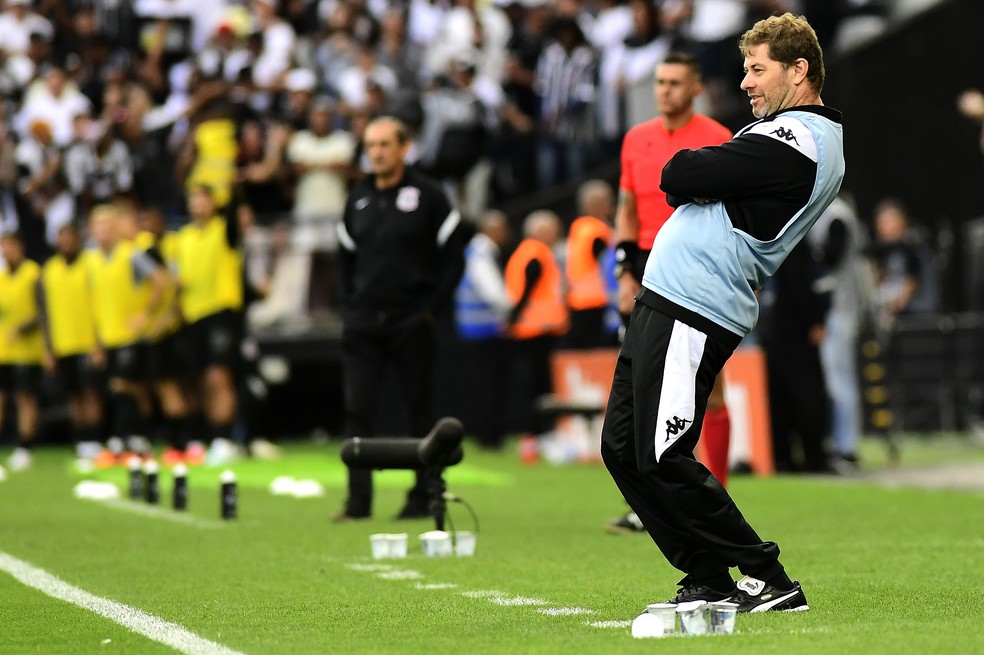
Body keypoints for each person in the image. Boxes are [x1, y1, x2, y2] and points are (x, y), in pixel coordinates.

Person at [600, 13, 844, 613]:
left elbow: (681, 172)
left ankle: (767, 576)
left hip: (697, 301)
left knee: (662, 450)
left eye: (757, 70)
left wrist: (699, 175)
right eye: (745, 70)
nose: (745, 84)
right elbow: (696, 179)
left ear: (799, 70)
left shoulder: (804, 137)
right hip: (670, 293)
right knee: (623, 446)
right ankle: (707, 574)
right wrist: (704, 177)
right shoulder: (784, 132)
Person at [607, 51, 732, 534]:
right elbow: (627, 208)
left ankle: (714, 494)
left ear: (696, 88)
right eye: (660, 81)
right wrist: (622, 273)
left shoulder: (718, 138)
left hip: (695, 269)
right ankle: (651, 500)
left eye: (675, 82)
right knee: (641, 387)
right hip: (645, 270)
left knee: (709, 386)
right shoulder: (636, 140)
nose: (665, 90)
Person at [333, 116, 465, 522]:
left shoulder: (429, 196)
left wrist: (429, 309)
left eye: (384, 144)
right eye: (370, 145)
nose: (376, 152)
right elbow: (344, 260)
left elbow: (454, 258)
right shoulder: (356, 197)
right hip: (364, 321)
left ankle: (421, 496)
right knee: (358, 409)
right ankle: (358, 502)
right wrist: (349, 307)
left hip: (411, 319)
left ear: (404, 148)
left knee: (418, 411)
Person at [173, 186, 245, 466]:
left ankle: (225, 439)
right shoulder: (184, 238)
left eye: (204, 199)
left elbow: (235, 214)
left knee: (219, 376)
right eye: (194, 199)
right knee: (202, 380)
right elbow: (180, 278)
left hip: (220, 311)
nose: (199, 204)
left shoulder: (223, 230)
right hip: (194, 315)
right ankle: (212, 435)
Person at [808, 195, 871, 471]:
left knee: (840, 381)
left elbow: (830, 260)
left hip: (840, 308)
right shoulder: (830, 213)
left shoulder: (836, 215)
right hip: (835, 308)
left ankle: (847, 447)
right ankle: (841, 444)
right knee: (837, 380)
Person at [758, 242, 831, 474]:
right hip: (795, 331)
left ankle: (782, 457)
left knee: (778, 395)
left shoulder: (769, 238)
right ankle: (813, 456)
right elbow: (799, 282)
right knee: (806, 394)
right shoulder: (795, 241)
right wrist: (814, 320)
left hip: (772, 328)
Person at [505, 209, 569, 462]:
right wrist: (514, 316)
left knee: (533, 385)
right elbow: (528, 290)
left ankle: (535, 438)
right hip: (538, 330)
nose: (556, 232)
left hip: (532, 329)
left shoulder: (525, 252)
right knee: (539, 386)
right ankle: (540, 436)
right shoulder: (537, 253)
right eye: (552, 228)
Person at [38, 223, 103, 462]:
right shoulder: (50, 270)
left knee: (90, 392)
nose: (66, 242)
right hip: (63, 343)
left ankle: (95, 438)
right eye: (61, 237)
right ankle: (82, 439)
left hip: (87, 341)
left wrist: (99, 342)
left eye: (69, 237)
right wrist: (48, 347)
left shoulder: (91, 263)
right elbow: (44, 312)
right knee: (73, 395)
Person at [454, 210, 513, 449]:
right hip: (483, 331)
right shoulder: (481, 255)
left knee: (484, 385)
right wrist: (514, 307)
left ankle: (488, 435)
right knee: (488, 386)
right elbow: (494, 294)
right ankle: (489, 437)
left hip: (475, 330)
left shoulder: (475, 252)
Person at [0, 232, 43, 471]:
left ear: (21, 247)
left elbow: (43, 312)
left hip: (27, 350)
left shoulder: (33, 273)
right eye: (3, 247)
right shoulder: (1, 278)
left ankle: (25, 447)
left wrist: (22, 328)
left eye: (10, 246)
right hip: (2, 350)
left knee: (25, 398)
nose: (6, 252)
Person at [565, 179, 615, 349]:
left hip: (579, 301)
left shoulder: (578, 228)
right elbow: (609, 265)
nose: (611, 204)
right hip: (598, 302)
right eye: (608, 200)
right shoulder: (597, 231)